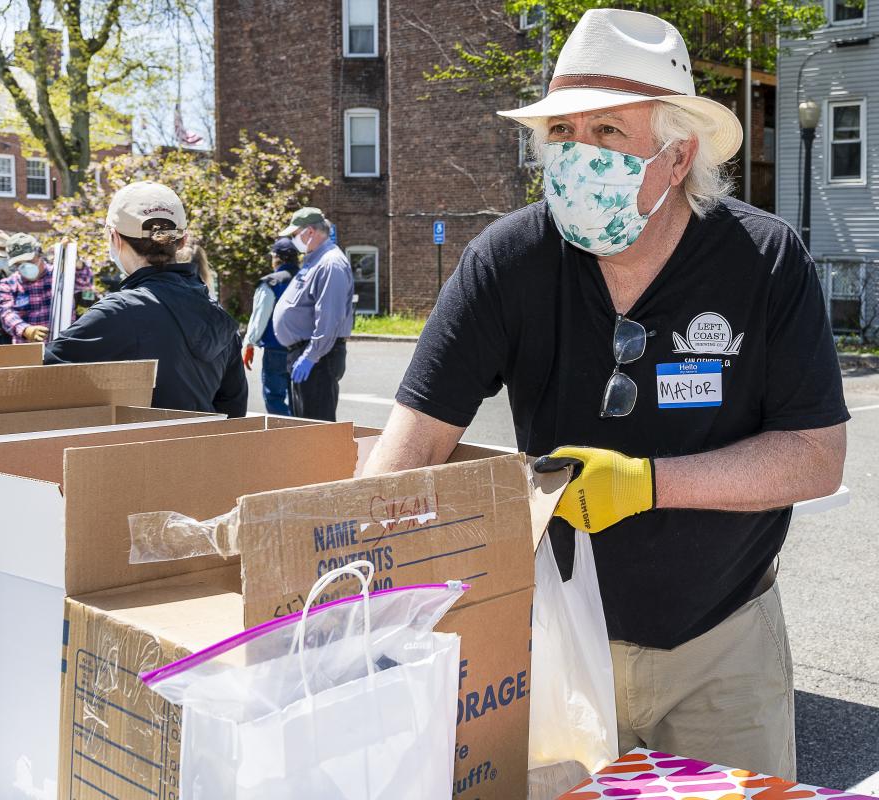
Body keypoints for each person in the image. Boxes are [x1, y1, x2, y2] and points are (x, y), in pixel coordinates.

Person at [362, 9, 847, 779]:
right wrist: (345, 586)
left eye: (609, 134)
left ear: (679, 153)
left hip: (724, 643)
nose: (576, 158)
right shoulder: (509, 261)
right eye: (562, 134)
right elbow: (414, 443)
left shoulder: (762, 260)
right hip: (554, 637)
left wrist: (650, 483)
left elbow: (815, 458)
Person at [45, 181, 247, 416]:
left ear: (114, 238)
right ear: (182, 241)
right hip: (202, 449)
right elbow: (233, 411)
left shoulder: (118, 312)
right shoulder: (218, 316)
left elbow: (40, 375)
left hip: (137, 449)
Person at [271, 207, 353, 421]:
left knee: (317, 432)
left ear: (309, 232)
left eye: (294, 234)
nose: (293, 239)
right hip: (309, 355)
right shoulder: (317, 260)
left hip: (318, 358)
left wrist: (311, 356)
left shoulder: (330, 263)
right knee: (307, 428)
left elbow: (329, 317)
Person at [243, 237, 300, 415]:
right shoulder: (307, 278)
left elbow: (260, 316)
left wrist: (249, 343)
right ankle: (302, 432)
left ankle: (284, 435)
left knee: (274, 397)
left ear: (276, 258)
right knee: (298, 397)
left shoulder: (270, 283)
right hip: (303, 348)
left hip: (275, 349)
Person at [0, 233, 53, 344]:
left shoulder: (60, 274)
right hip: (28, 351)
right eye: (18, 264)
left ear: (39, 254)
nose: (25, 267)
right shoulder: (7, 285)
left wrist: (75, 261)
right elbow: (7, 314)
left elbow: (84, 281)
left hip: (61, 349)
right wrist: (26, 330)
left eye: (29, 261)